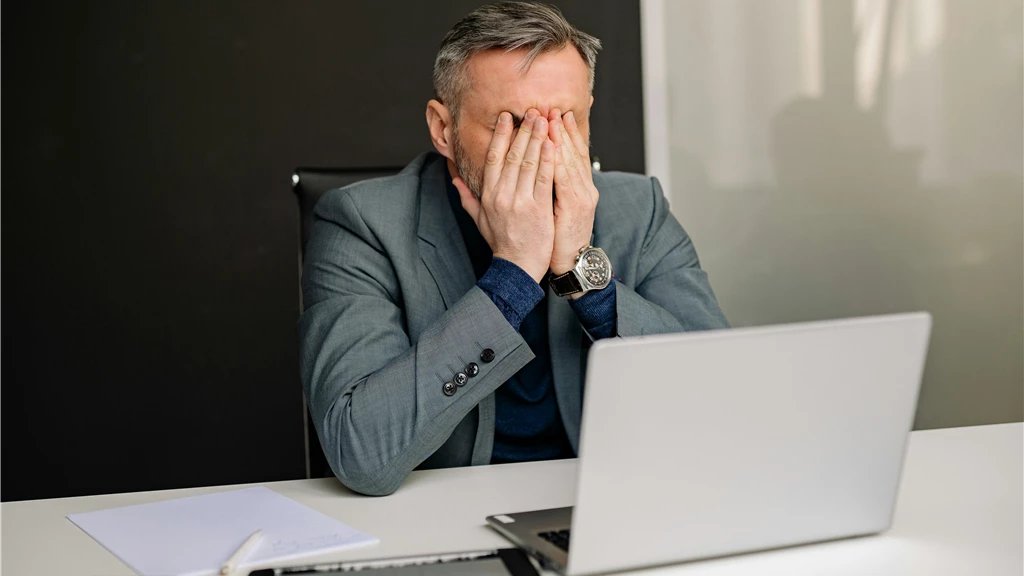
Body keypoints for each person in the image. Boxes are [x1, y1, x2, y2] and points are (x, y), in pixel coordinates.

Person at [298, 1, 728, 496]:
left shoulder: (640, 210)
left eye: (566, 123)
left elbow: (722, 402)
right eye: (514, 126)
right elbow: (362, 455)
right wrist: (515, 274)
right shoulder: (362, 224)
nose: (544, 152)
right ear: (444, 129)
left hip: (613, 501)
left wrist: (585, 281)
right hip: (443, 514)